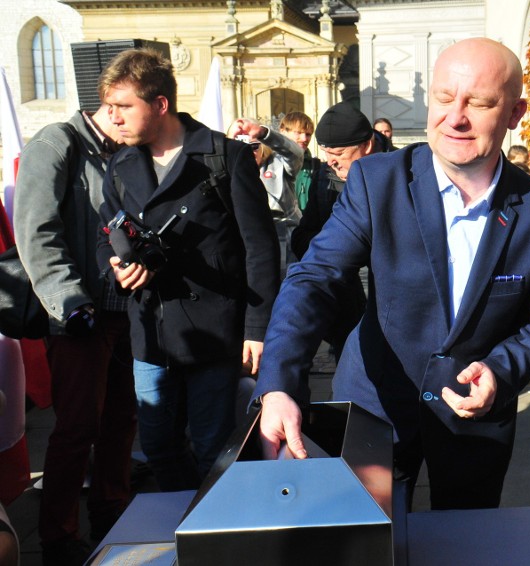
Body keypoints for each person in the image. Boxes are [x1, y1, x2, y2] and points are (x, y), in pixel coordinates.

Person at [254, 37, 530, 510]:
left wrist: (500, 371)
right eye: (444, 99)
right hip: (375, 409)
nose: (456, 117)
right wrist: (279, 383)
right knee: (366, 547)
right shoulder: (376, 181)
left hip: (475, 425)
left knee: (465, 547)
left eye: (480, 103)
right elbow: (314, 277)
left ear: (514, 113)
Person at [96, 48, 280, 492]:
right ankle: (180, 525)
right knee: (158, 445)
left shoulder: (224, 156)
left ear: (160, 105)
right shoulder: (119, 165)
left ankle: (220, 539)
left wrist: (257, 329)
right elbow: (108, 238)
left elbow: (260, 249)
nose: (112, 118)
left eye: (124, 107)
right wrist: (119, 267)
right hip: (151, 333)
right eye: (109, 107)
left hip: (216, 332)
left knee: (214, 446)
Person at [14, 104, 135, 565]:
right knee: (77, 428)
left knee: (122, 420)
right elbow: (36, 232)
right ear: (114, 107)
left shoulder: (119, 150)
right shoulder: (57, 143)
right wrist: (67, 299)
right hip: (80, 314)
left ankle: (112, 513)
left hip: (123, 311)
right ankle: (59, 536)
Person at [290, 102, 389, 360]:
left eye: (339, 153)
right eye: (324, 152)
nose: (330, 161)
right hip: (346, 307)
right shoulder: (325, 176)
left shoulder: (401, 170)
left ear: (366, 145)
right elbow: (303, 235)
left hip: (394, 310)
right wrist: (335, 247)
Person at [227, 117, 304, 278]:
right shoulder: (227, 171)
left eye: (254, 146)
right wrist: (228, 140)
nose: (248, 152)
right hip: (249, 243)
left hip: (285, 239)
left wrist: (263, 133)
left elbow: (296, 154)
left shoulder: (277, 163)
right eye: (242, 147)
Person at [280, 111, 319, 212]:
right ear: (283, 131)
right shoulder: (269, 163)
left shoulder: (315, 166)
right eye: (298, 132)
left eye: (308, 134)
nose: (304, 139)